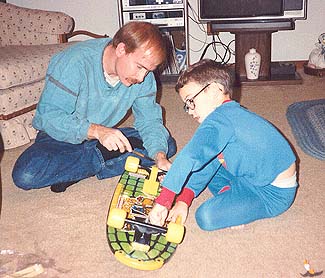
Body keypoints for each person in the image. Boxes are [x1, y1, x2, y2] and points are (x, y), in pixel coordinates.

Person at [12, 21, 176, 193]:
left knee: (166, 145)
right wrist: (96, 131)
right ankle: (95, 161)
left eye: (148, 71)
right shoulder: (73, 62)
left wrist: (159, 155)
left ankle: (75, 169)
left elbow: (149, 120)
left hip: (101, 138)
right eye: (140, 67)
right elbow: (48, 117)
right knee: (26, 174)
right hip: (61, 135)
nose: (142, 78)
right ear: (121, 49)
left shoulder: (144, 77)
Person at [149, 59, 297, 231]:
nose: (189, 110)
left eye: (190, 101)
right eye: (186, 106)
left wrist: (164, 201)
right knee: (207, 164)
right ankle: (232, 195)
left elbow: (190, 155)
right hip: (252, 175)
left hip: (272, 194)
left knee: (206, 217)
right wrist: (183, 200)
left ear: (214, 90)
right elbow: (206, 160)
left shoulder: (219, 121)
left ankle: (236, 201)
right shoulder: (230, 114)